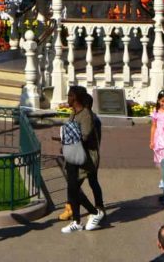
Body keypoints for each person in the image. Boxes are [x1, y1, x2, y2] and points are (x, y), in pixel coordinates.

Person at [61, 86, 104, 233]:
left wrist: (69, 136)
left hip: (84, 158)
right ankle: (77, 221)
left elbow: (84, 136)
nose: (67, 99)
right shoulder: (73, 113)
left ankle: (95, 212)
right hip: (73, 155)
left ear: (75, 98)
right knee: (72, 189)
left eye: (69, 96)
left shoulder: (85, 115)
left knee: (74, 188)